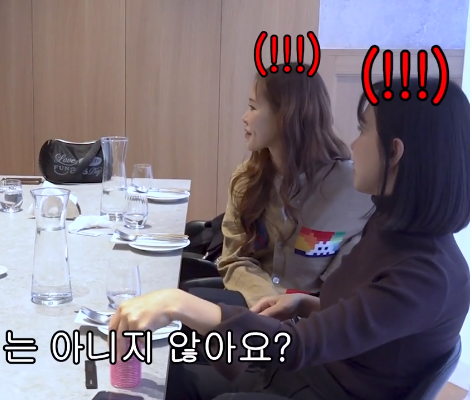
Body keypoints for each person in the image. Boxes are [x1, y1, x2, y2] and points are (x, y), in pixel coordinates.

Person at [111, 77, 470, 399]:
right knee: (166, 374)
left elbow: (296, 345)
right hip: (298, 373)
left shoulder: (427, 277)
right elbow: (364, 319)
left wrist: (176, 303)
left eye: (363, 130)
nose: (353, 143)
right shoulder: (390, 228)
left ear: (394, 152)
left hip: (319, 385)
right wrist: (305, 304)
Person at [188, 65, 373, 308]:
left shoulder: (353, 189)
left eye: (253, 107)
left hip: (315, 315)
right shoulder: (246, 179)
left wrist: (300, 308)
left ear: (286, 116)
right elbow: (234, 260)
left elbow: (347, 279)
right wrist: (269, 303)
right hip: (253, 304)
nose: (244, 117)